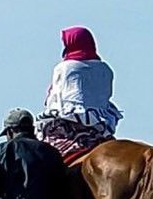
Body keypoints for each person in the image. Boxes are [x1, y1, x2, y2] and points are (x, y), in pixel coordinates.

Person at [37, 26, 122, 160]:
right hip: (99, 125)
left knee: (42, 157)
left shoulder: (65, 67)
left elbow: (57, 98)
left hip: (69, 123)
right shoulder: (106, 68)